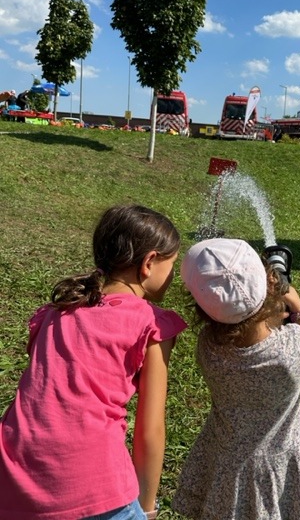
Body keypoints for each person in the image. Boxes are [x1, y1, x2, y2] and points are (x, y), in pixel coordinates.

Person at [0, 204, 187, 520]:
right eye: (172, 264)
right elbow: (149, 430)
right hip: (93, 485)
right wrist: (147, 508)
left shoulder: (54, 312)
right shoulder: (151, 324)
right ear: (149, 263)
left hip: (13, 478)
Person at [172, 238, 300, 520]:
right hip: (280, 464)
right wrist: (298, 309)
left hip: (225, 460)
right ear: (267, 286)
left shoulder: (208, 346)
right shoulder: (291, 349)